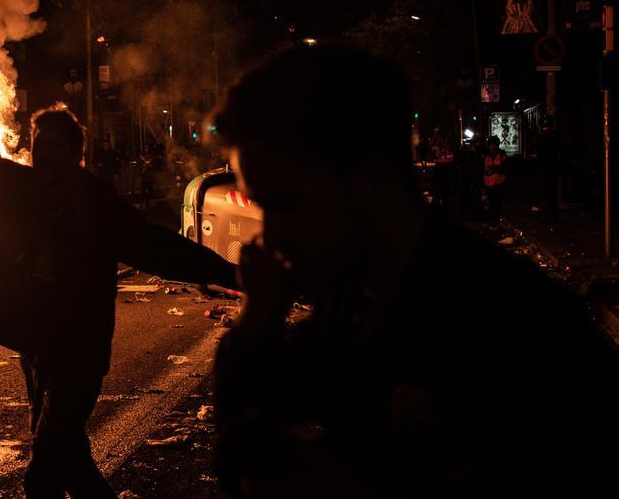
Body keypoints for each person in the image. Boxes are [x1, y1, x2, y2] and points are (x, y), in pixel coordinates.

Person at [209, 45, 619, 498]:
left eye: (289, 205)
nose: (271, 238)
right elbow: (244, 441)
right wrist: (258, 316)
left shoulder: (518, 325)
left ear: (370, 179)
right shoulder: (357, 302)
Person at [0, 37, 237, 498]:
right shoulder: (11, 188)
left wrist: (230, 274)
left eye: (56, 148)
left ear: (76, 155)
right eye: (39, 147)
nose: (45, 156)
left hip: (81, 349)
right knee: (72, 461)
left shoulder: (96, 202)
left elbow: (157, 247)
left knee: (44, 470)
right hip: (37, 346)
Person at [538, 115, 561, 222]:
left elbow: (539, 152)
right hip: (553, 166)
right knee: (552, 192)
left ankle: (548, 214)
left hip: (545, 167)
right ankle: (552, 214)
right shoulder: (556, 136)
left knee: (546, 191)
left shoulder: (542, 137)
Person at [483, 135, 508, 223]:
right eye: (491, 144)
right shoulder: (485, 154)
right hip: (488, 183)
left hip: (499, 183)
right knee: (490, 203)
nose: (492, 146)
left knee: (497, 203)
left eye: (494, 144)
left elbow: (506, 168)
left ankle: (496, 221)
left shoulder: (502, 153)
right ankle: (492, 221)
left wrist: (494, 168)